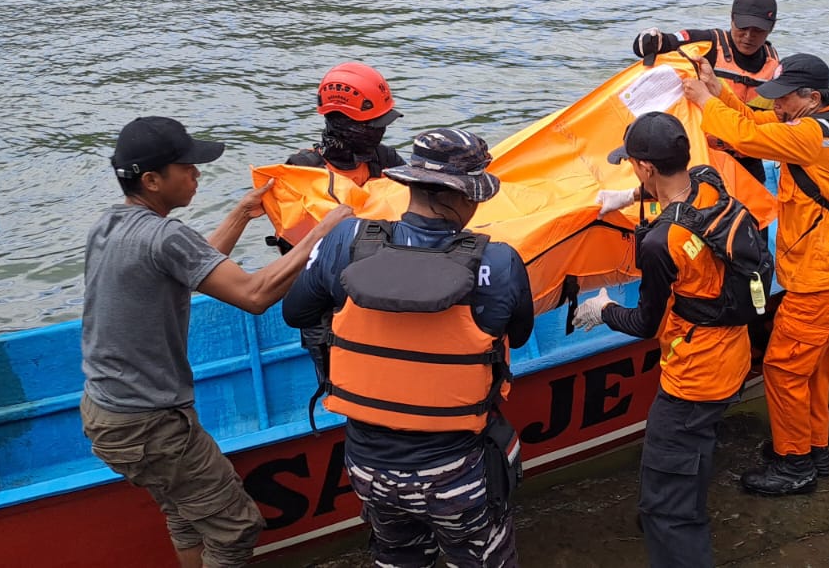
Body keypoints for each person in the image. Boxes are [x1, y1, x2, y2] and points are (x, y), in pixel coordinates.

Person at [82, 117, 351, 568]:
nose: (197, 174)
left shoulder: (110, 224)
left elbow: (189, 266)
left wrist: (242, 214)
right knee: (235, 525)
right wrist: (322, 236)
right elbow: (253, 295)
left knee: (185, 512)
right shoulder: (164, 236)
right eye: (186, 167)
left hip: (107, 413)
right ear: (152, 180)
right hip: (150, 424)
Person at [282, 128, 532, 568]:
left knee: (397, 558)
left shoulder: (346, 241)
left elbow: (297, 312)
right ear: (463, 197)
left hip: (368, 469)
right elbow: (520, 334)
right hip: (456, 473)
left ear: (411, 185)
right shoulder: (499, 262)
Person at [681, 54, 829, 495]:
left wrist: (702, 101)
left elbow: (747, 133)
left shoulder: (810, 136)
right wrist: (718, 91)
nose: (778, 106)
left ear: (812, 97)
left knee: (784, 369)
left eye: (784, 98)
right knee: (814, 369)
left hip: (822, 284)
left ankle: (794, 464)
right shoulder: (828, 129)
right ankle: (814, 447)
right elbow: (756, 122)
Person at [573, 112, 753, 568]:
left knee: (667, 505)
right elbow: (681, 194)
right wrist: (629, 196)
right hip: (733, 351)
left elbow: (644, 324)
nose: (634, 172)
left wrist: (603, 310)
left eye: (633, 166)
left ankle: (673, 524)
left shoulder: (661, 243)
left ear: (648, 167)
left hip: (693, 379)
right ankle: (678, 495)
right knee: (687, 460)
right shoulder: (709, 181)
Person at [633, 0, 783, 181]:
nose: (748, 36)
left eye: (758, 30)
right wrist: (649, 39)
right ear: (731, 19)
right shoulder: (708, 44)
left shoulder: (774, 62)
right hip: (704, 155)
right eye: (742, 28)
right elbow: (662, 42)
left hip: (747, 159)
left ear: (771, 27)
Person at [285, 62, 404, 186]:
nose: (381, 130)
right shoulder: (302, 170)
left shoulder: (386, 159)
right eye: (374, 125)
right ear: (343, 125)